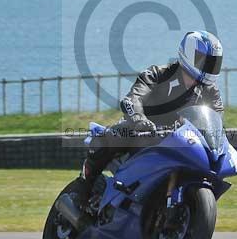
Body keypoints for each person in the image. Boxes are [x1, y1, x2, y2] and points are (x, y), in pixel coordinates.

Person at [79, 30, 225, 195]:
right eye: (206, 62)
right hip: (143, 131)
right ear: (191, 55)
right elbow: (132, 99)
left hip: (180, 141)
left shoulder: (210, 91)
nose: (210, 67)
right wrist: (140, 120)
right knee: (112, 138)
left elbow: (216, 117)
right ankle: (83, 190)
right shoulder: (158, 74)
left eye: (214, 63)